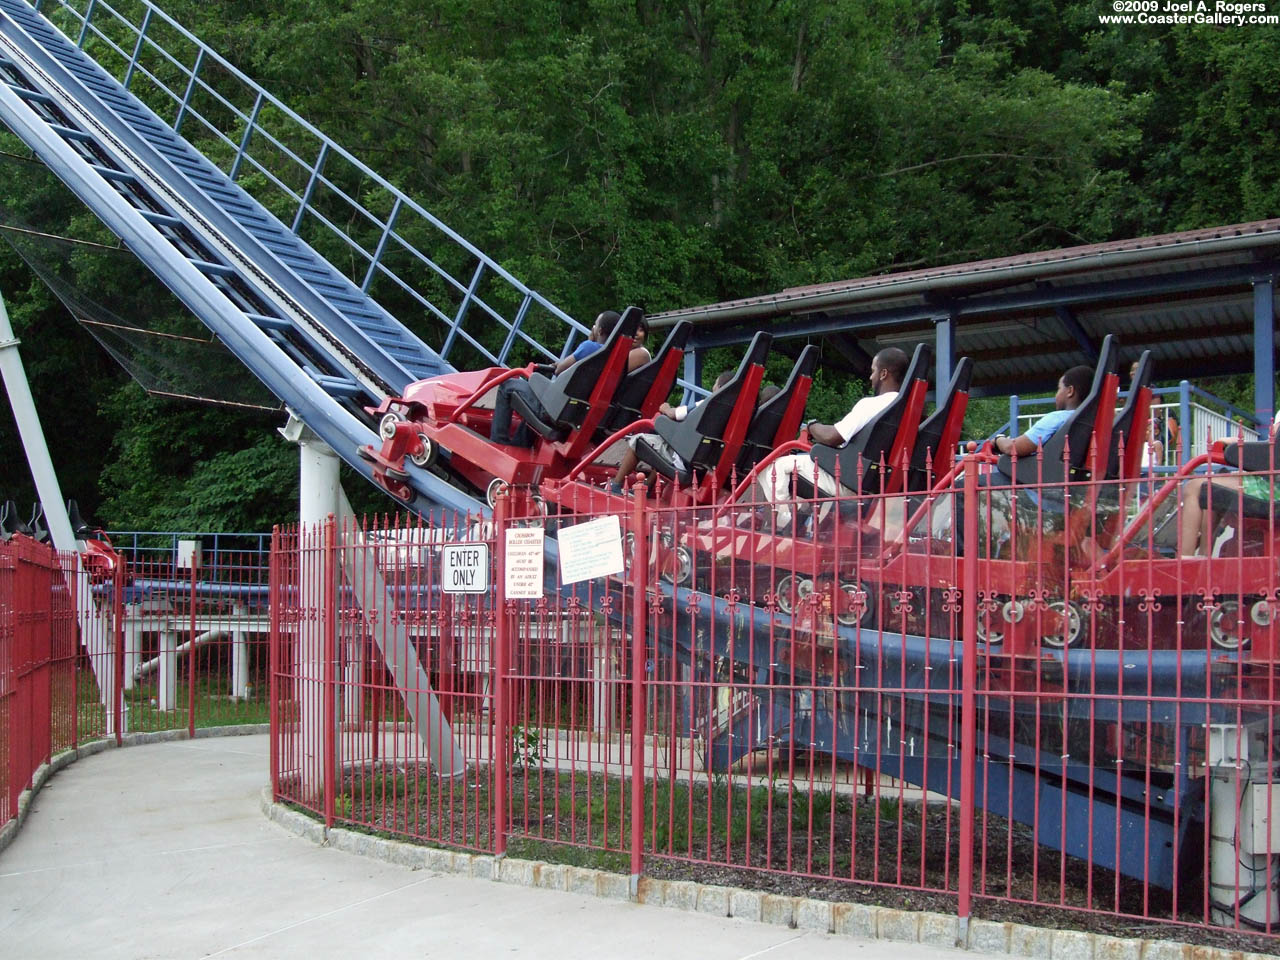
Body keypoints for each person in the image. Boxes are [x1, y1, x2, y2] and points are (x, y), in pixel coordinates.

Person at [755, 347, 910, 533]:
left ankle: (779, 526)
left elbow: (833, 436)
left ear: (884, 373)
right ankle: (795, 524)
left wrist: (812, 426)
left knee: (773, 467)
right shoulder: (909, 413)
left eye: (873, 371)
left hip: (846, 482)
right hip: (875, 486)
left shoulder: (873, 405)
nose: (871, 377)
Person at [490, 310, 621, 447]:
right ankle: (520, 445)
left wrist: (589, 340)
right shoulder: (617, 360)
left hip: (557, 412)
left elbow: (559, 370)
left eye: (595, 325)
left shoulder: (590, 347)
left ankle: (498, 443)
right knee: (535, 396)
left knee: (508, 385)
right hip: (579, 418)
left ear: (599, 330)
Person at [610, 370, 736, 491]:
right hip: (705, 466)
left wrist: (665, 408)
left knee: (639, 440)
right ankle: (648, 486)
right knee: (666, 443)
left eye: (714, 384)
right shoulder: (733, 417)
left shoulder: (707, 404)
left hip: (686, 462)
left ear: (719, 387)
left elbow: (674, 414)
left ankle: (615, 485)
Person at [1177, 408, 1280, 556]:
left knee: (1194, 487)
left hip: (1271, 490)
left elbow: (1273, 452)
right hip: (1270, 484)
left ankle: (1185, 560)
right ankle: (1203, 556)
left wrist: (1238, 446)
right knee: (1211, 492)